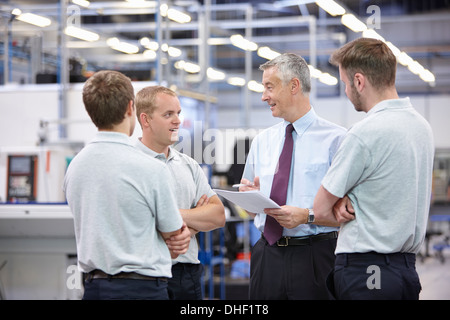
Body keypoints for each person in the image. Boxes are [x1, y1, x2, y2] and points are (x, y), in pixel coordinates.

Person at [314, 38, 434, 300]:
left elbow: (320, 210)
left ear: (359, 81)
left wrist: (335, 206)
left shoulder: (364, 133)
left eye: (345, 84)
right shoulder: (422, 127)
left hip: (366, 272)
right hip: (405, 271)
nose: (346, 91)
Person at [63, 70, 191, 300]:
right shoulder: (150, 167)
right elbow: (174, 233)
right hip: (142, 290)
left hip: (94, 288)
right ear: (130, 108)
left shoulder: (75, 166)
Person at [240, 53, 347, 299]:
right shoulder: (262, 141)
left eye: (269, 87)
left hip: (315, 257)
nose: (263, 96)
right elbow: (252, 207)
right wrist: (250, 198)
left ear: (294, 86)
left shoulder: (337, 140)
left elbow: (351, 213)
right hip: (267, 256)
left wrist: (307, 216)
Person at [134, 85, 226, 300]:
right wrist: (195, 219)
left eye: (178, 113)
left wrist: (169, 215)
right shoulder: (129, 163)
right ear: (145, 120)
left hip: (186, 275)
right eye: (168, 114)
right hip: (144, 275)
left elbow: (218, 215)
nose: (177, 120)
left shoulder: (189, 165)